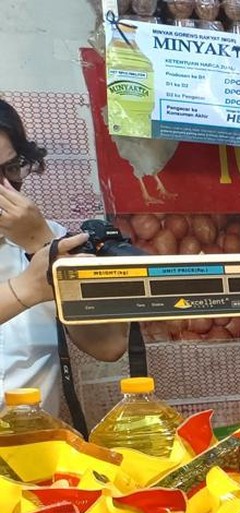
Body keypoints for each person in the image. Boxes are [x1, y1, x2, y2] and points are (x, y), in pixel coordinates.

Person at [0, 99, 127, 414]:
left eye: (12, 169)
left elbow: (110, 345)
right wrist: (27, 288)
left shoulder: (46, 236)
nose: (6, 190)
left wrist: (41, 244)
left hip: (32, 451)